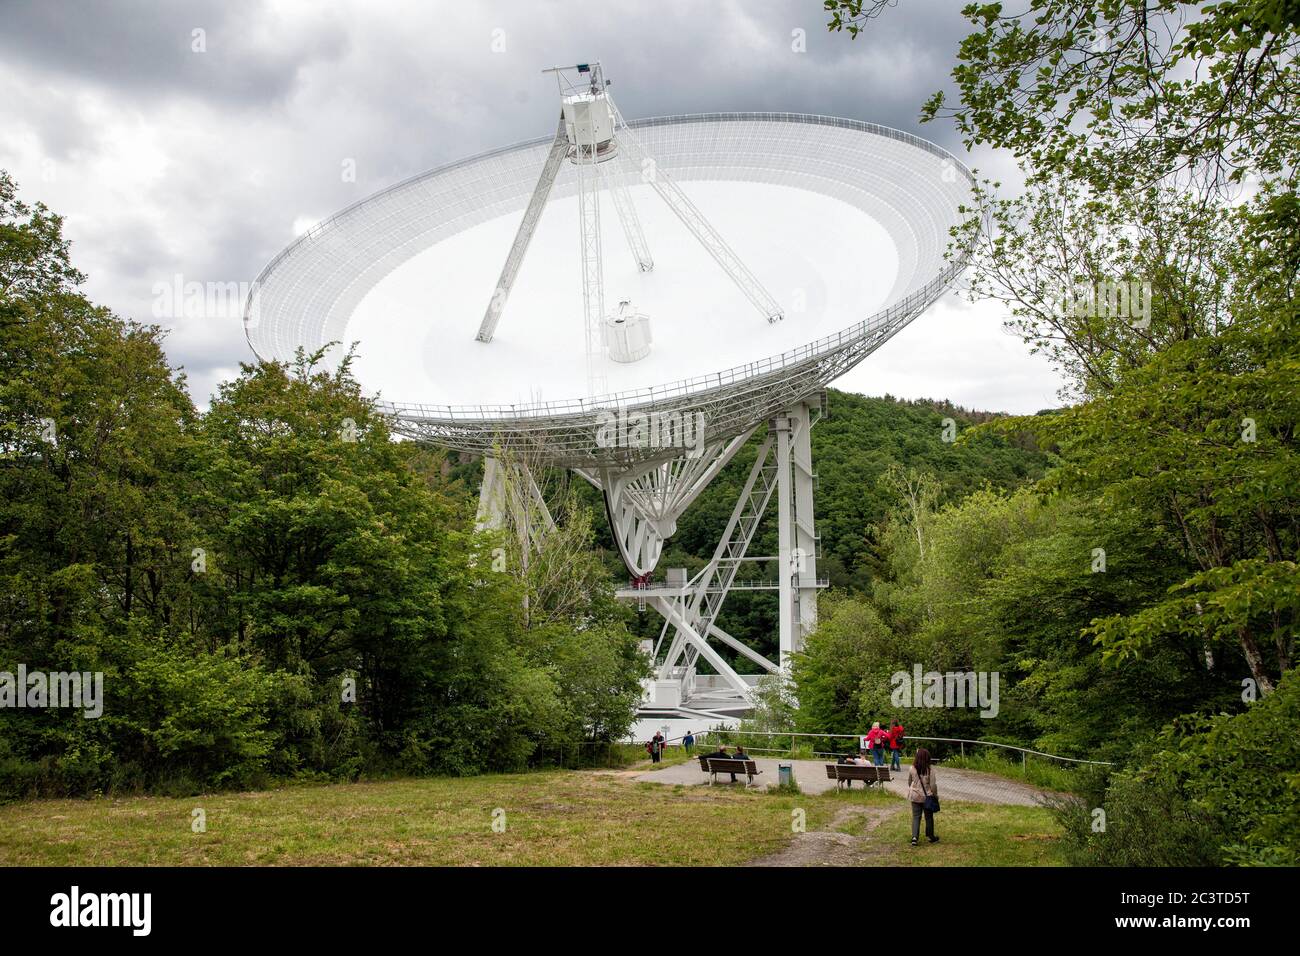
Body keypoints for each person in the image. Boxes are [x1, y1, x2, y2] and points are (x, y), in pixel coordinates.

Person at [907, 747, 940, 846]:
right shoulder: (930, 770)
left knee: (916, 817)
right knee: (929, 817)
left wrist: (914, 789)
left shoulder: (912, 768)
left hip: (915, 796)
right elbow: (933, 785)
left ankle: (914, 837)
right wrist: (935, 795)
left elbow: (909, 782)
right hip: (927, 797)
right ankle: (930, 836)